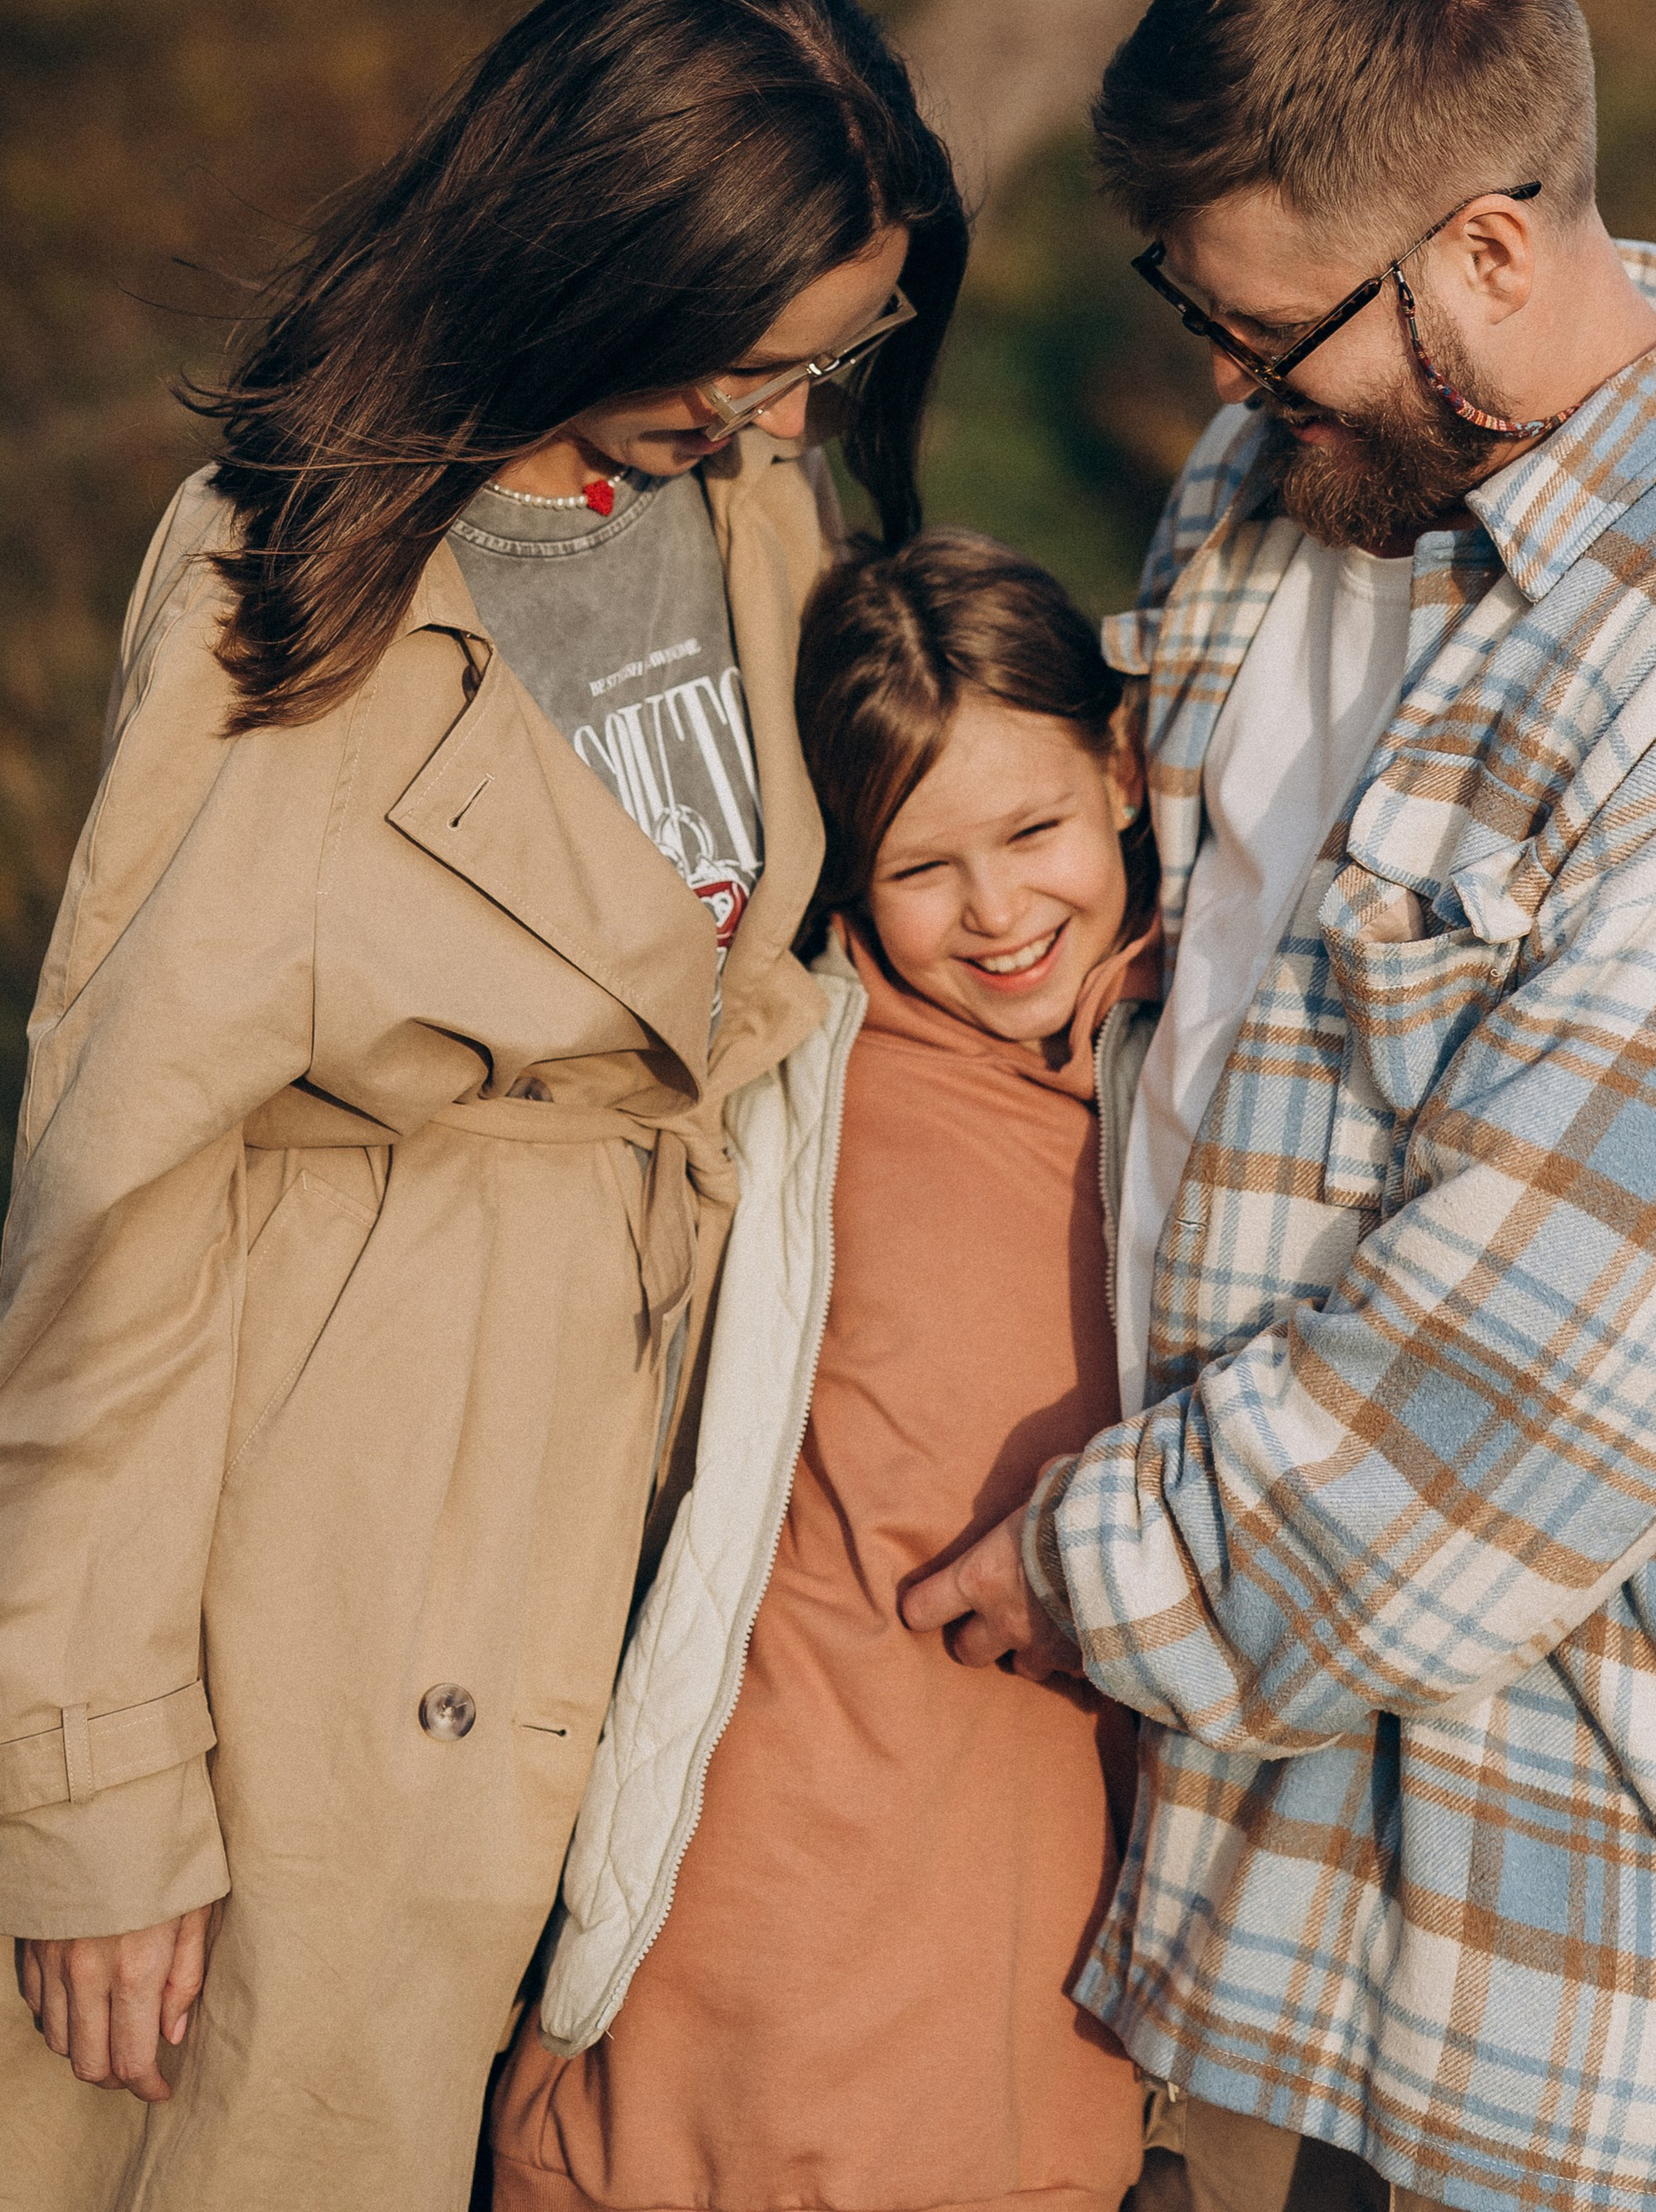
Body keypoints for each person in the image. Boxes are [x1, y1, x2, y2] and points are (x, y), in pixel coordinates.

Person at [906, 0, 1656, 2212]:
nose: (1217, 387)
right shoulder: (1285, 489)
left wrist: (1100, 1576)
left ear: (1492, 255)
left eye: (1268, 330)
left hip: (1574, 1918)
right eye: (1191, 316)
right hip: (1260, 1860)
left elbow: (1530, 1366)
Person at [0, 0, 966, 2212]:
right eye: (743, 364)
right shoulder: (303, 576)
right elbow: (118, 1202)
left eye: (828, 367)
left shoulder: (746, 506)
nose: (777, 423)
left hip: (600, 1534)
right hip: (309, 1562)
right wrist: (91, 1780)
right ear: (586, 267)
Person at [488, 532, 1159, 2212]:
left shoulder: (1210, 1061)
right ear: (847, 874)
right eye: (926, 867)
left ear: (1125, 773)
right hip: (782, 1887)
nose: (1001, 913)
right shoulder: (805, 1093)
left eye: (1035, 831)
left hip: (1048, 1902)